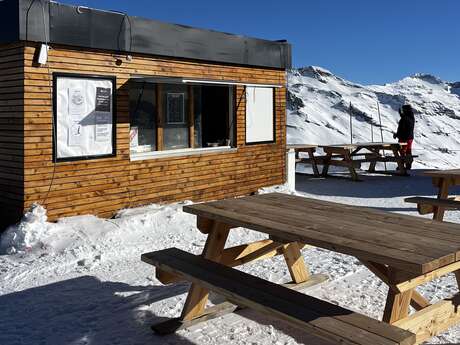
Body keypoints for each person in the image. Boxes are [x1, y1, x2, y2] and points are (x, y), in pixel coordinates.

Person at [393, 104, 415, 170]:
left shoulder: (406, 118)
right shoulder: (411, 117)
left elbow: (403, 128)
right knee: (408, 151)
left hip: (404, 138)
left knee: (402, 151)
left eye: (403, 110)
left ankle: (401, 165)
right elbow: (405, 126)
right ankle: (407, 165)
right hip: (409, 137)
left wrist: (397, 135)